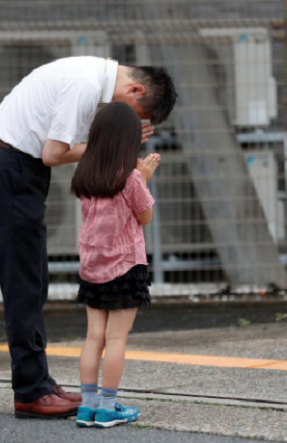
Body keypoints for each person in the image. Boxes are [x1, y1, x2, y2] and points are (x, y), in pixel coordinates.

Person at [0, 56, 177, 419]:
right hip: (12, 167)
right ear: (135, 89)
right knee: (24, 283)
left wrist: (111, 143)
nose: (128, 123)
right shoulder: (85, 85)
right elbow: (54, 153)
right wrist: (117, 146)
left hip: (15, 165)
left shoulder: (90, 75)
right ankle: (31, 391)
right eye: (133, 115)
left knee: (33, 280)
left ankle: (38, 381)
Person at [71, 102, 159, 428]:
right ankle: (108, 408)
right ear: (128, 140)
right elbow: (144, 216)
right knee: (117, 339)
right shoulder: (131, 178)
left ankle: (87, 406)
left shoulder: (85, 174)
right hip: (124, 265)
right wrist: (143, 177)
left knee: (94, 337)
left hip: (92, 266)